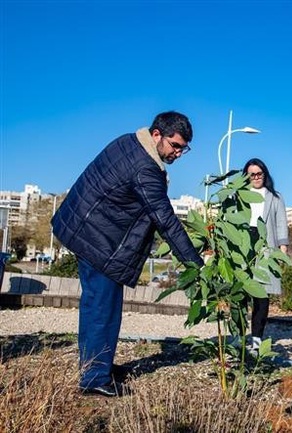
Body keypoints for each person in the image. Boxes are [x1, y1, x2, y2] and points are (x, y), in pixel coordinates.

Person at [51, 111, 204, 397]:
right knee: (103, 309)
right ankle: (94, 379)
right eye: (175, 146)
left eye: (184, 148)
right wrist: (196, 264)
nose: (179, 153)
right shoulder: (145, 168)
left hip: (87, 230)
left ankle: (97, 365)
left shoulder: (129, 142)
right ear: (157, 134)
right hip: (99, 239)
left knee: (97, 304)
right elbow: (165, 220)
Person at [242, 158, 289, 350]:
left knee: (262, 296)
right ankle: (238, 336)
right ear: (246, 176)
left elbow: (281, 224)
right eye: (252, 174)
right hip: (243, 245)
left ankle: (256, 339)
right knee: (241, 293)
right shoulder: (239, 195)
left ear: (265, 174)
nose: (256, 177)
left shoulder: (275, 197)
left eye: (259, 174)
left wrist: (282, 248)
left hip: (265, 246)